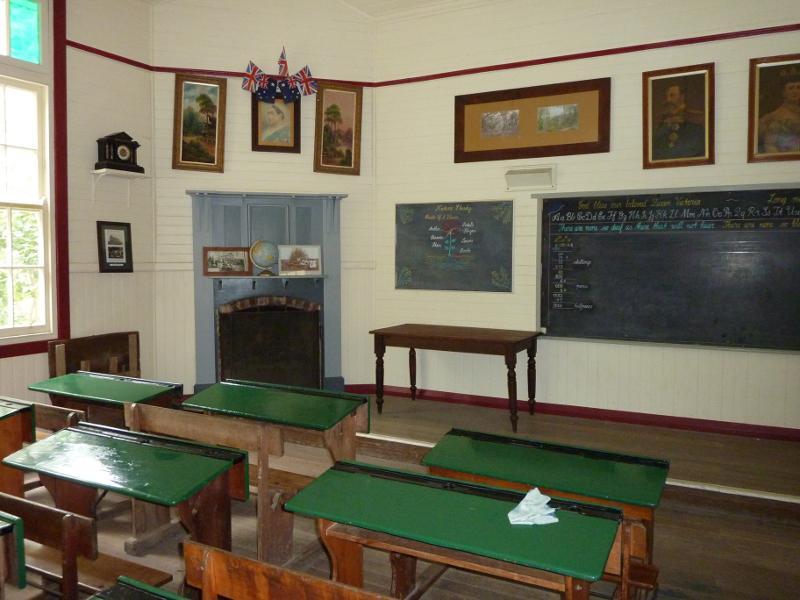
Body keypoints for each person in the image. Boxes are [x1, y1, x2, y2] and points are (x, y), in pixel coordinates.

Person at [652, 81, 706, 161]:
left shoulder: (697, 123)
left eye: (672, 95)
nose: (668, 100)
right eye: (666, 96)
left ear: (682, 97)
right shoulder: (660, 127)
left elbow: (695, 151)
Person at [758, 77, 800, 154]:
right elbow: (770, 146)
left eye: (798, 87)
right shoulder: (771, 118)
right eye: (791, 88)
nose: (795, 91)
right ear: (783, 92)